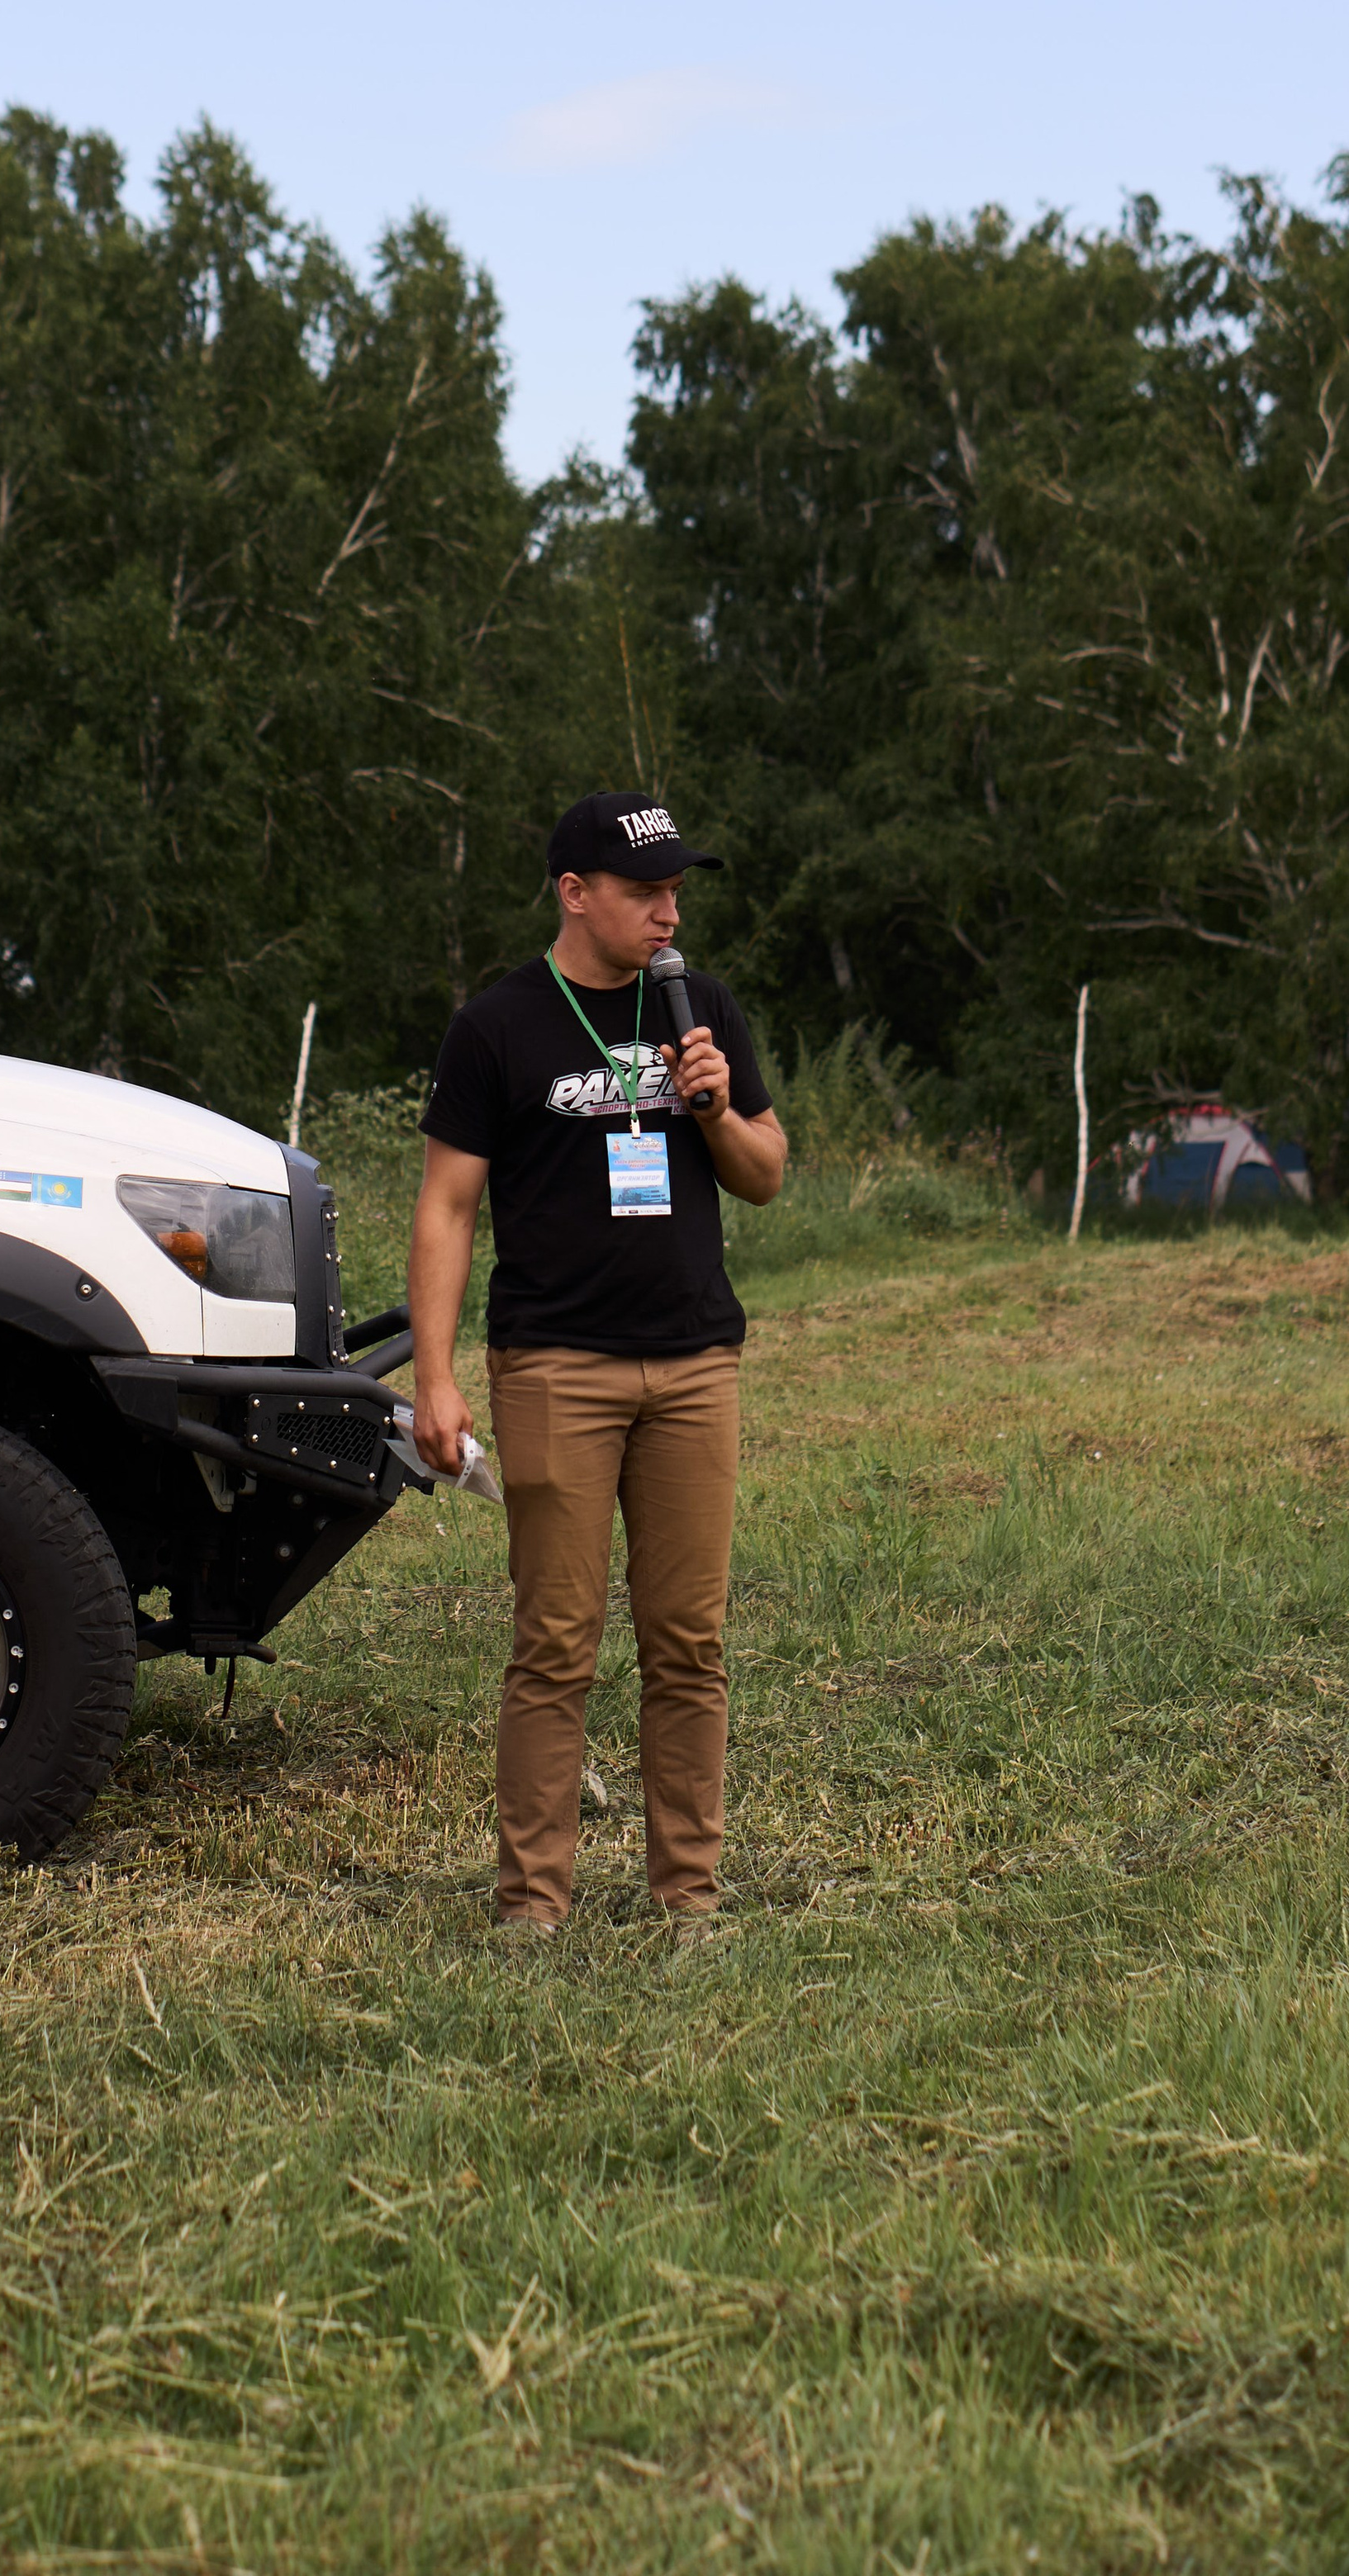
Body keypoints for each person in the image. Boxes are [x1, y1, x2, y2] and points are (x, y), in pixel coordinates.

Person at [410, 793, 786, 1950]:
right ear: (576, 893)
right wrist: (435, 1375)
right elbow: (447, 1206)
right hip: (557, 1366)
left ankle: (689, 1898)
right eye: (646, 892)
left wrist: (712, 1104)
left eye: (678, 891)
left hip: (693, 1367)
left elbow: (766, 1172)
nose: (669, 912)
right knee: (557, 1641)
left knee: (689, 1641)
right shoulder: (499, 1026)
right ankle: (533, 1904)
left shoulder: (699, 1008)